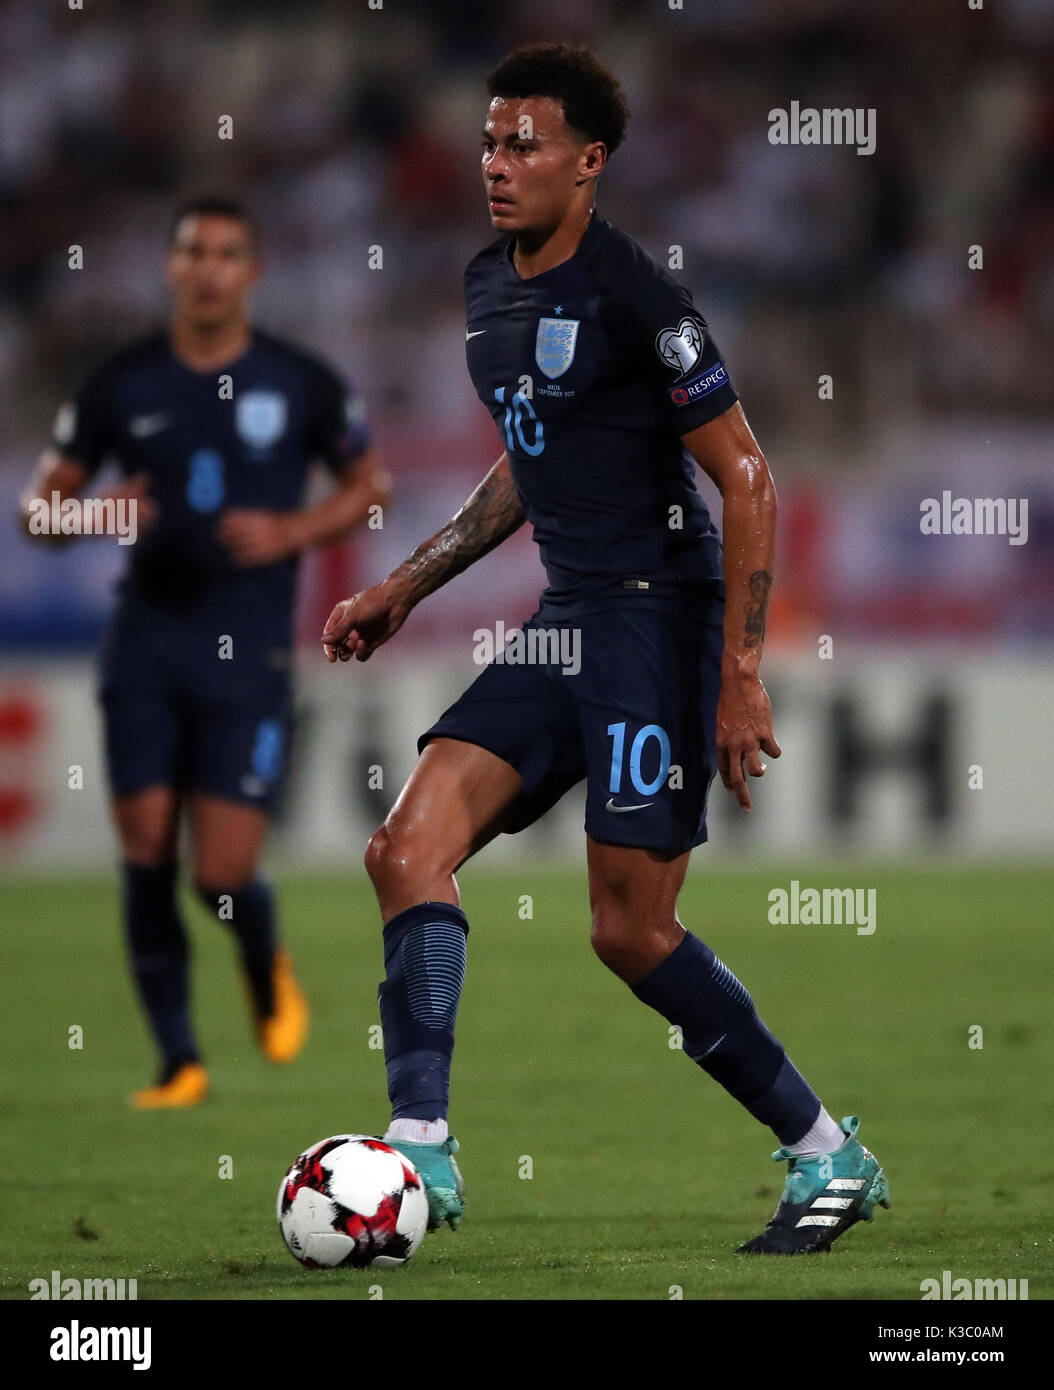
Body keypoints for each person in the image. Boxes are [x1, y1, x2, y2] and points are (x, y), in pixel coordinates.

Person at [322, 44, 888, 1254]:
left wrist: (740, 672)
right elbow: (526, 457)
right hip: (565, 619)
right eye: (489, 142)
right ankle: (420, 1145)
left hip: (654, 620)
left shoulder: (640, 298)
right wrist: (406, 583)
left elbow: (749, 476)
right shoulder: (488, 284)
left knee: (629, 930)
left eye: (522, 144)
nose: (495, 163)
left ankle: (826, 1152)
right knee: (404, 851)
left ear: (588, 163)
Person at [21, 195, 389, 1108]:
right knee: (146, 848)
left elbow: (370, 486)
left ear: (252, 271)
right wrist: (94, 514)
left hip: (249, 653)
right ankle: (178, 1060)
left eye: (228, 253)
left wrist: (295, 529)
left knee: (219, 873)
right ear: (171, 267)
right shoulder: (122, 382)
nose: (210, 268)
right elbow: (39, 511)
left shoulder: (299, 380)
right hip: (145, 643)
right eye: (194, 251)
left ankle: (264, 958)